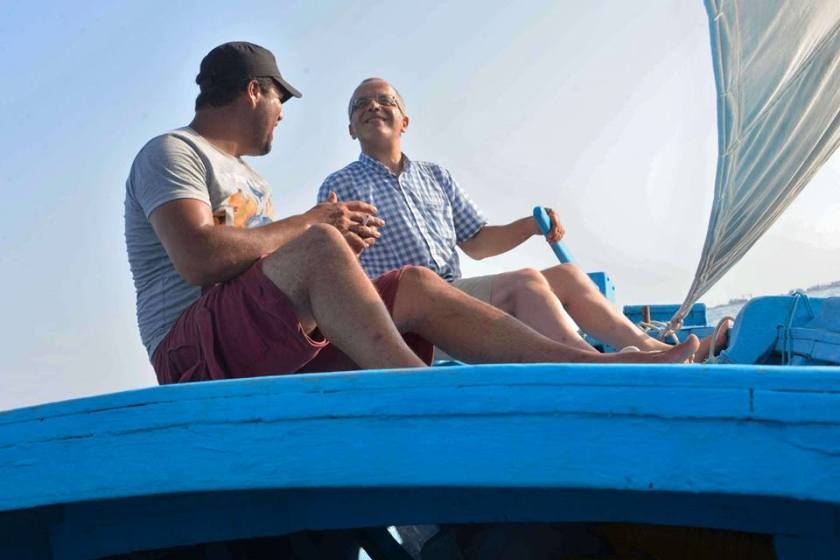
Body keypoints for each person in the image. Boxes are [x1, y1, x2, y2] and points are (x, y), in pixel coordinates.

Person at [124, 42, 699, 391]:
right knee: (323, 242)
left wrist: (313, 238)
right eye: (280, 100)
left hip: (265, 337)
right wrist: (314, 225)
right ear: (255, 91)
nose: (282, 115)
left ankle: (594, 370)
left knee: (418, 287)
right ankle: (422, 395)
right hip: (193, 352)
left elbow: (273, 270)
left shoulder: (254, 180)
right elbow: (199, 259)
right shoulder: (173, 151)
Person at [318, 77, 725, 360]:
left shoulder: (435, 175)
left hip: (457, 295)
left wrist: (530, 226)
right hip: (408, 320)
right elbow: (334, 274)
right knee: (526, 282)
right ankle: (591, 363)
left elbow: (477, 243)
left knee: (567, 276)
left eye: (385, 100)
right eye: (360, 105)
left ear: (404, 121)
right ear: (351, 129)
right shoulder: (338, 187)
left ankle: (653, 349)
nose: (372, 106)